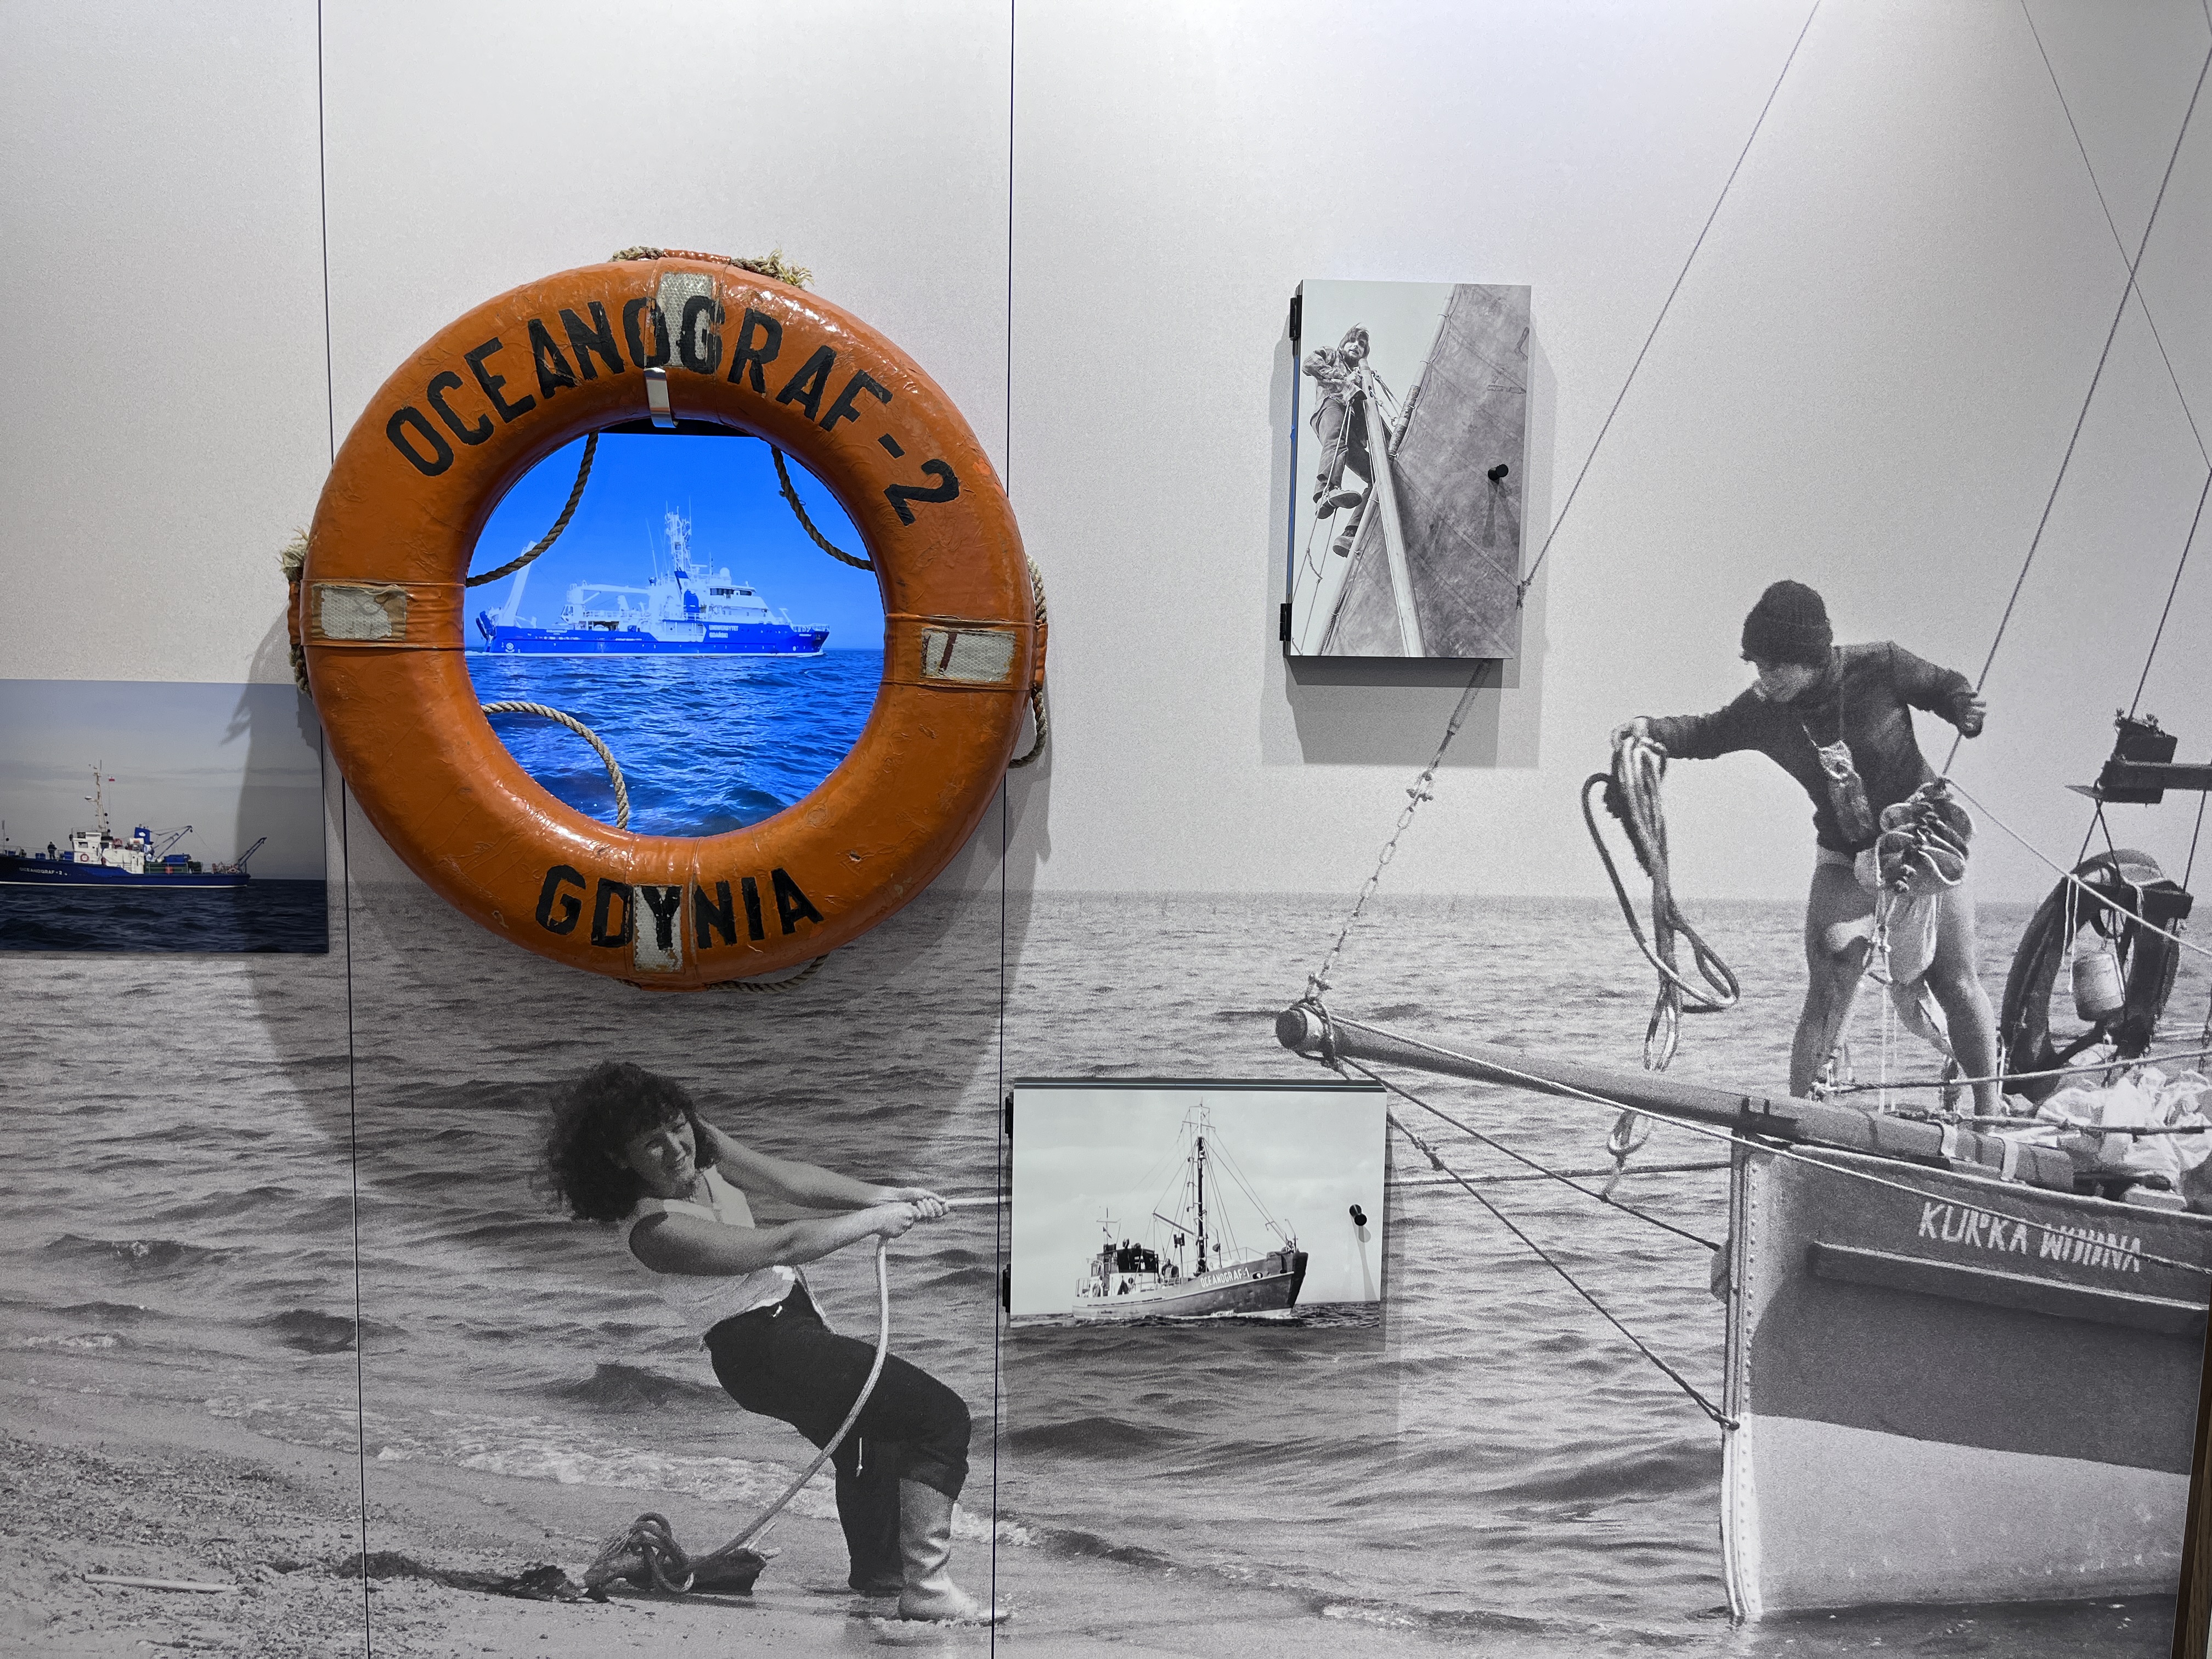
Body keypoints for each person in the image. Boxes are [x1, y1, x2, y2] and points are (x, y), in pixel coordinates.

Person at [541, 1061, 1001, 1622]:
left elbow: (788, 1181)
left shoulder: (700, 1145)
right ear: (619, 1158)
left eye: (677, 1126)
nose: (676, 1148)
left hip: (792, 1331)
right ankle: (928, 1587)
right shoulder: (652, 1232)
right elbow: (779, 1246)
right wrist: (875, 1221)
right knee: (941, 1417)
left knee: (869, 1446)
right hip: (760, 1349)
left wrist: (885, 1193)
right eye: (651, 1143)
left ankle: (882, 1583)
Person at [1614, 580, 2000, 1114]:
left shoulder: (1881, 666)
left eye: (1775, 666)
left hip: (1925, 843)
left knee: (1955, 981)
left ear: (1810, 658)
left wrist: (1961, 707)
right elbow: (1707, 733)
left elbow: (1942, 686)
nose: (1764, 677)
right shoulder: (1762, 708)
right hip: (1845, 856)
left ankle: (1990, 1112)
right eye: (1757, 665)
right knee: (1830, 975)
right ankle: (1802, 1118)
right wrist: (1649, 730)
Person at [1303, 325, 1381, 557]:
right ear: (1343, 344)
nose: (1357, 346)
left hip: (1352, 432)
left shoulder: (1361, 378)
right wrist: (1345, 380)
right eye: (1353, 342)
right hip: (1330, 406)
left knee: (1377, 476)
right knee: (1336, 441)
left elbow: (1369, 414)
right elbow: (1310, 363)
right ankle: (1326, 492)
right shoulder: (1332, 354)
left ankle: (1351, 533)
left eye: (1362, 345)